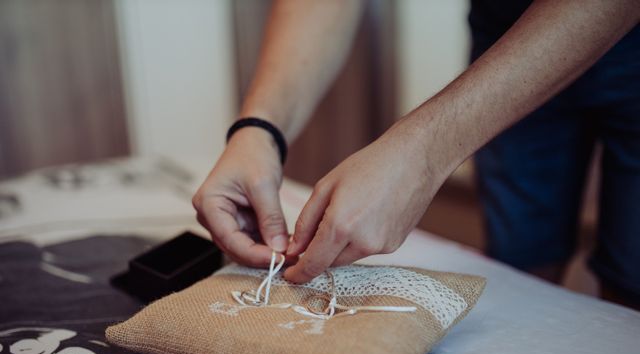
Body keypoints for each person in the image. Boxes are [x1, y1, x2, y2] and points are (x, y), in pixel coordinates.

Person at [192, 0, 640, 309]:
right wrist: (260, 128)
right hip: (507, 29)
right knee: (522, 259)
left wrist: (421, 155)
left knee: (630, 283)